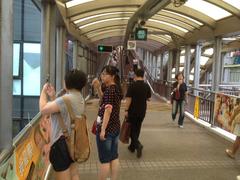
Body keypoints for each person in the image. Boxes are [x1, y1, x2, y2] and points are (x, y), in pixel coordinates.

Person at [39, 69, 87, 180]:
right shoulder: (80, 97)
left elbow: (43, 110)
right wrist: (53, 97)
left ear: (67, 83)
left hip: (61, 144)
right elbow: (63, 112)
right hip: (73, 140)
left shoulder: (66, 99)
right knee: (74, 173)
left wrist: (43, 92)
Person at [92, 65, 122, 180]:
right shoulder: (116, 88)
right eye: (102, 74)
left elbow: (108, 110)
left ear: (112, 76)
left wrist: (103, 130)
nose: (102, 76)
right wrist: (98, 88)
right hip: (115, 127)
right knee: (114, 156)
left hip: (107, 130)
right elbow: (103, 101)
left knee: (104, 159)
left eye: (105, 74)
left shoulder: (110, 90)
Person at [125, 68, 151, 158]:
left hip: (133, 111)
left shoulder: (132, 86)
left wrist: (126, 110)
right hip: (142, 111)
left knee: (132, 130)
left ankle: (138, 145)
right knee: (137, 128)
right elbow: (149, 98)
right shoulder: (146, 86)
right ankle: (132, 147)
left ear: (135, 75)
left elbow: (129, 99)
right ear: (143, 76)